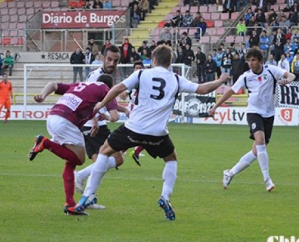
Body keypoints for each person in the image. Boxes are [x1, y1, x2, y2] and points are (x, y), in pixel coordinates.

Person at [73, 45, 230, 220]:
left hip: (133, 128)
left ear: (153, 60)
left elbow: (118, 89)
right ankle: (165, 196)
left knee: (104, 151)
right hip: (158, 133)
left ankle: (88, 195)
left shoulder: (141, 74)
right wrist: (221, 80)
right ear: (170, 62)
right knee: (171, 159)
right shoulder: (176, 79)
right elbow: (203, 89)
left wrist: (102, 104)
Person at [208, 48, 296, 192]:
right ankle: (267, 180)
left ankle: (230, 173)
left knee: (256, 151)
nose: (250, 63)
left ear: (260, 61)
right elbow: (230, 91)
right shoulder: (245, 77)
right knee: (260, 140)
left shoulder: (271, 70)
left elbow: (291, 75)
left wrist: (287, 81)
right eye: (248, 60)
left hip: (269, 114)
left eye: (253, 60)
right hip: (254, 112)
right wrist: (215, 107)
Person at [28, 74, 117, 216]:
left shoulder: (79, 85)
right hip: (66, 121)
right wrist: (106, 116)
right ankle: (45, 143)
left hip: (53, 117)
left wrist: (43, 96)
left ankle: (69, 204)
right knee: (80, 159)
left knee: (71, 161)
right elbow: (115, 117)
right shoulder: (105, 89)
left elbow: (53, 84)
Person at [74, 45, 125, 208]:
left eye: (115, 61)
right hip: (92, 124)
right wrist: (94, 120)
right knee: (113, 159)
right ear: (102, 58)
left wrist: (124, 109)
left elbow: (105, 101)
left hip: (97, 123)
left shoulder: (104, 76)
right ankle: (84, 185)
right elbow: (88, 99)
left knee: (111, 160)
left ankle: (85, 186)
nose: (112, 63)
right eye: (109, 59)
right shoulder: (97, 76)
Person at [119, 61, 146, 166]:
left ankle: (125, 152)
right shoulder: (133, 82)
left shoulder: (146, 80)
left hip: (144, 111)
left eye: (140, 67)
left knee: (142, 134)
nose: (138, 69)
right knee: (146, 134)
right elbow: (124, 94)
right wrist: (123, 93)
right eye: (136, 68)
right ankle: (127, 152)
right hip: (135, 111)